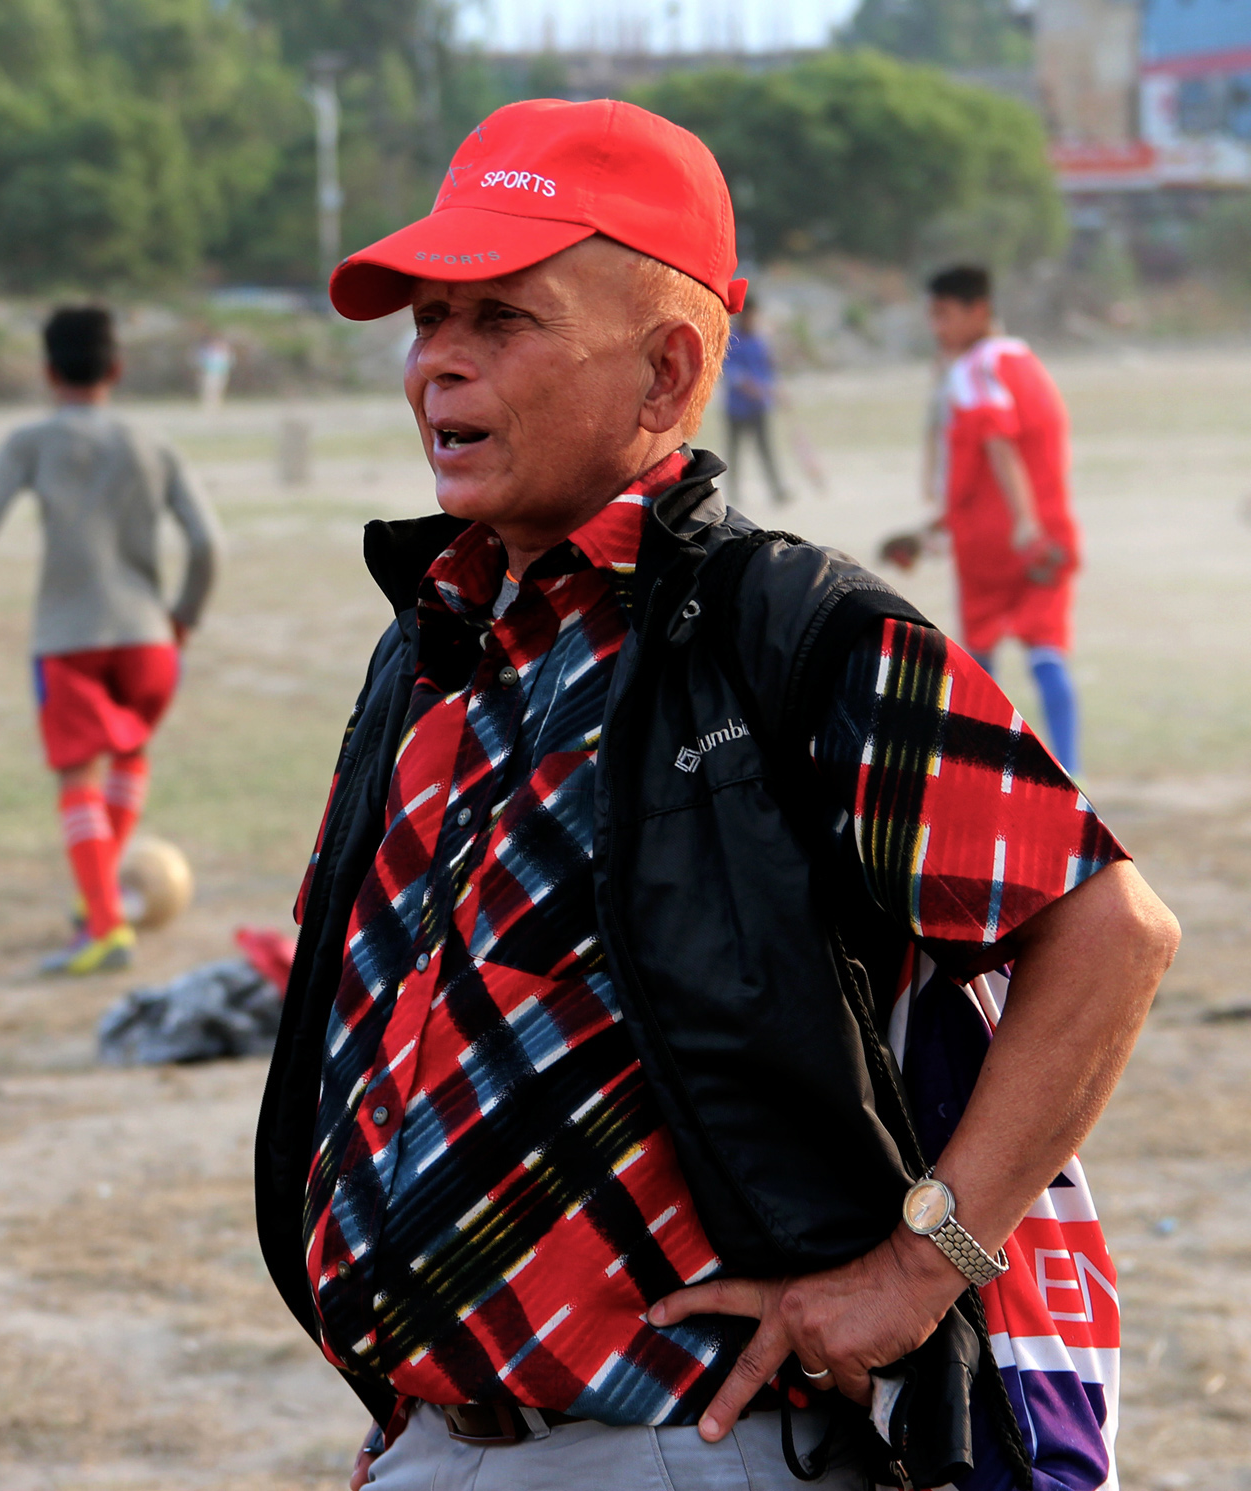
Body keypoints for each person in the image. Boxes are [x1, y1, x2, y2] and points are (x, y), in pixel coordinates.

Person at [255, 98, 1178, 1491]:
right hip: (432, 1442)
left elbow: (1111, 931)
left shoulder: (798, 633)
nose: (435, 364)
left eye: (499, 320)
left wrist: (925, 1265)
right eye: (426, 321)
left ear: (665, 368)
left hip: (687, 1449)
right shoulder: (432, 641)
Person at [0, 307, 221, 977]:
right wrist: (183, 614)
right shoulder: (152, 442)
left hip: (69, 639)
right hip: (148, 638)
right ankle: (97, 896)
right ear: (117, 368)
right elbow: (207, 542)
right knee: (130, 753)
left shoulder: (32, 441)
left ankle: (104, 927)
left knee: (78, 775)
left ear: (47, 371)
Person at [925, 264, 1084, 772]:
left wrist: (1020, 522)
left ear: (979, 311)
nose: (937, 328)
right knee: (1047, 647)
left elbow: (996, 439)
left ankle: (979, 773)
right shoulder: (1028, 362)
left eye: (945, 314)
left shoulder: (972, 369)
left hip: (995, 540)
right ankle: (1071, 770)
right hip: (1050, 534)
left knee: (981, 660)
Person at [722, 292, 789, 505]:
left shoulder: (760, 341)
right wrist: (751, 386)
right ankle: (733, 494)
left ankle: (777, 490)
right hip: (736, 408)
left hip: (759, 407)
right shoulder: (731, 341)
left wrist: (777, 391)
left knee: (766, 450)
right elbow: (730, 373)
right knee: (734, 452)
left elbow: (769, 371)